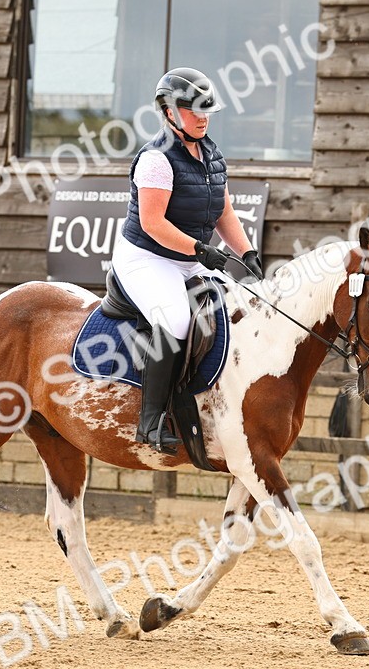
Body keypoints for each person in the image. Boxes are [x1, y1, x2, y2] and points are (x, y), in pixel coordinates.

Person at [113, 67, 265, 455]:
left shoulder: (211, 154)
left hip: (186, 257)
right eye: (193, 110)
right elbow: (152, 223)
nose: (202, 117)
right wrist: (201, 251)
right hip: (146, 256)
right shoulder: (156, 160)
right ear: (168, 112)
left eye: (207, 111)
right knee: (177, 318)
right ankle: (149, 422)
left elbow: (223, 212)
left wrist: (247, 252)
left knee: (238, 309)